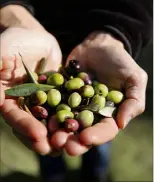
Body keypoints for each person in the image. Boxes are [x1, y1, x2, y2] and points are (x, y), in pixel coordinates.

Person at [0, 1, 152, 182]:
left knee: (94, 140)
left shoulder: (89, 96)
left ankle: (95, 173)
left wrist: (115, 32)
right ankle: (55, 176)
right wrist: (13, 15)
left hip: (95, 42)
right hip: (38, 41)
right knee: (46, 139)